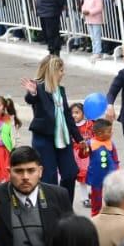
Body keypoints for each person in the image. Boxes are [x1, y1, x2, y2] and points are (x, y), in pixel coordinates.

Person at [22, 54, 80, 200]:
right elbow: (31, 99)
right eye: (61, 70)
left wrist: (79, 139)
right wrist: (32, 92)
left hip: (63, 137)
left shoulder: (61, 90)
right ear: (53, 72)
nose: (63, 73)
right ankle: (51, 210)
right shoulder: (38, 88)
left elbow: (67, 115)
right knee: (49, 178)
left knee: (70, 173)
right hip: (44, 139)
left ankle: (66, 206)